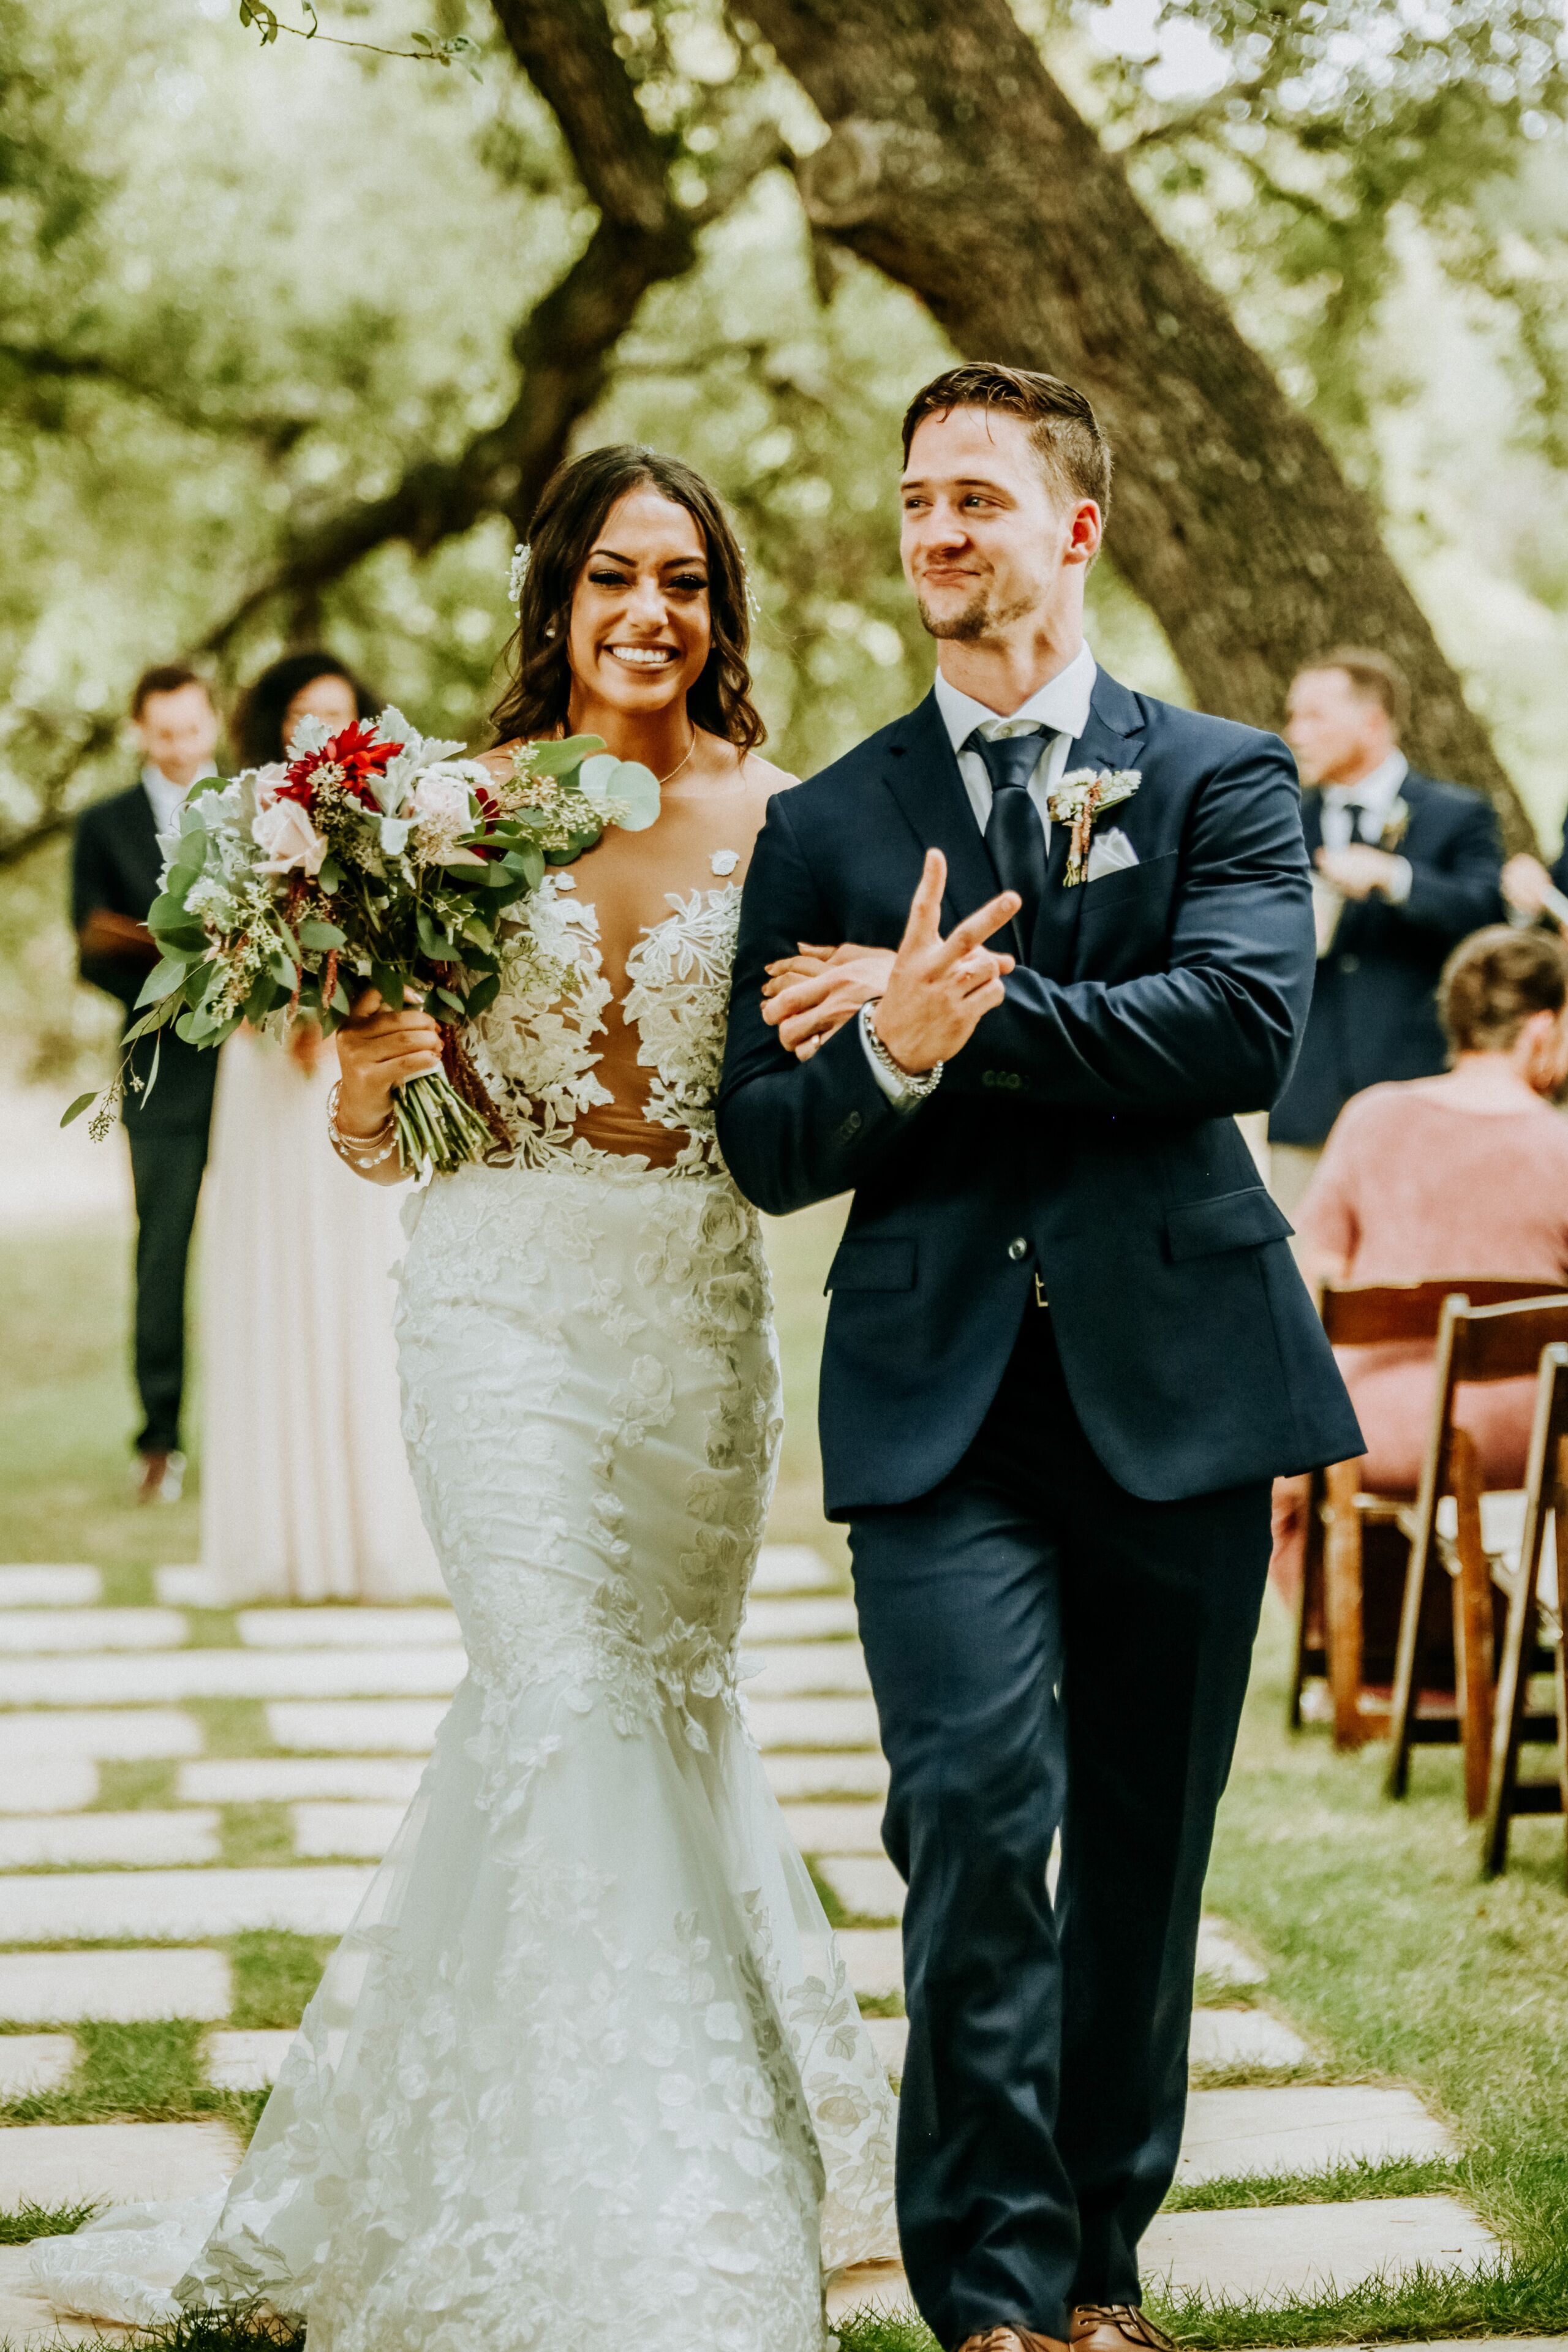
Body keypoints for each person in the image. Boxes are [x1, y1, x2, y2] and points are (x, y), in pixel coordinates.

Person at [35, 448, 898, 2344]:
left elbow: (792, 1106)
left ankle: (664, 2136)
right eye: (611, 578)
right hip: (495, 1302)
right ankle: (634, 2210)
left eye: (681, 580)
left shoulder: (796, 817)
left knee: (663, 1705)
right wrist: (369, 1052)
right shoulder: (442, 812)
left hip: (689, 1312)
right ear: (557, 600)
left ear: (719, 607)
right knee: (562, 1691)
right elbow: (371, 1142)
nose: (647, 614)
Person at [717, 363, 1362, 2352]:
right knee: (975, 1821)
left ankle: (1096, 2270)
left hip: (1184, 1385)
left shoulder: (1223, 778)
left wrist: (942, 1019)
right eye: (916, 499)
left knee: (1143, 1861)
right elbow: (767, 1137)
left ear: (1072, 529)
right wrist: (878, 1063)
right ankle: (988, 2293)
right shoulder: (829, 822)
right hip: (936, 1406)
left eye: (978, 499)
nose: (938, 533)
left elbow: (1238, 1032)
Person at [198, 651, 442, 1603]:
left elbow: (410, 946)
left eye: (336, 719)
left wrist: (354, 1006)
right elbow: (216, 951)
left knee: (364, 1285)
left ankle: (375, 1531)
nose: (319, 738)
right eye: (302, 718)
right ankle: (278, 1537)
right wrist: (283, 1016)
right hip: (268, 1082)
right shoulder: (234, 823)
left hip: (364, 1070)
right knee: (274, 1282)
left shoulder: (397, 827)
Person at [1290, 925, 1568, 1494]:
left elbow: (1312, 1290)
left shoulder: (1372, 1119)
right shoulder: (1561, 1144)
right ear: (1543, 1030)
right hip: (1535, 1442)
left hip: (1376, 1440)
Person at [1266, 647, 1504, 1213]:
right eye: (1294, 716)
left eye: (1314, 716)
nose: (1295, 732)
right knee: (1307, 1284)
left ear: (1371, 722)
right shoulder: (1280, 820)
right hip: (1307, 1100)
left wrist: (1395, 878)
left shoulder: (1456, 814)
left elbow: (1485, 917)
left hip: (1418, 1091)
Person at [71, 665, 222, 1504]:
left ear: (212, 722)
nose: (178, 747)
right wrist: (183, 958)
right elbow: (89, 945)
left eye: (191, 730)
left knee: (269, 1250)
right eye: (163, 734)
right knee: (161, 1254)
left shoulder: (258, 809)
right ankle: (160, 1438)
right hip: (159, 1068)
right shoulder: (103, 825)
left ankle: (259, 1421)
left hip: (257, 1068)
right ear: (140, 732)